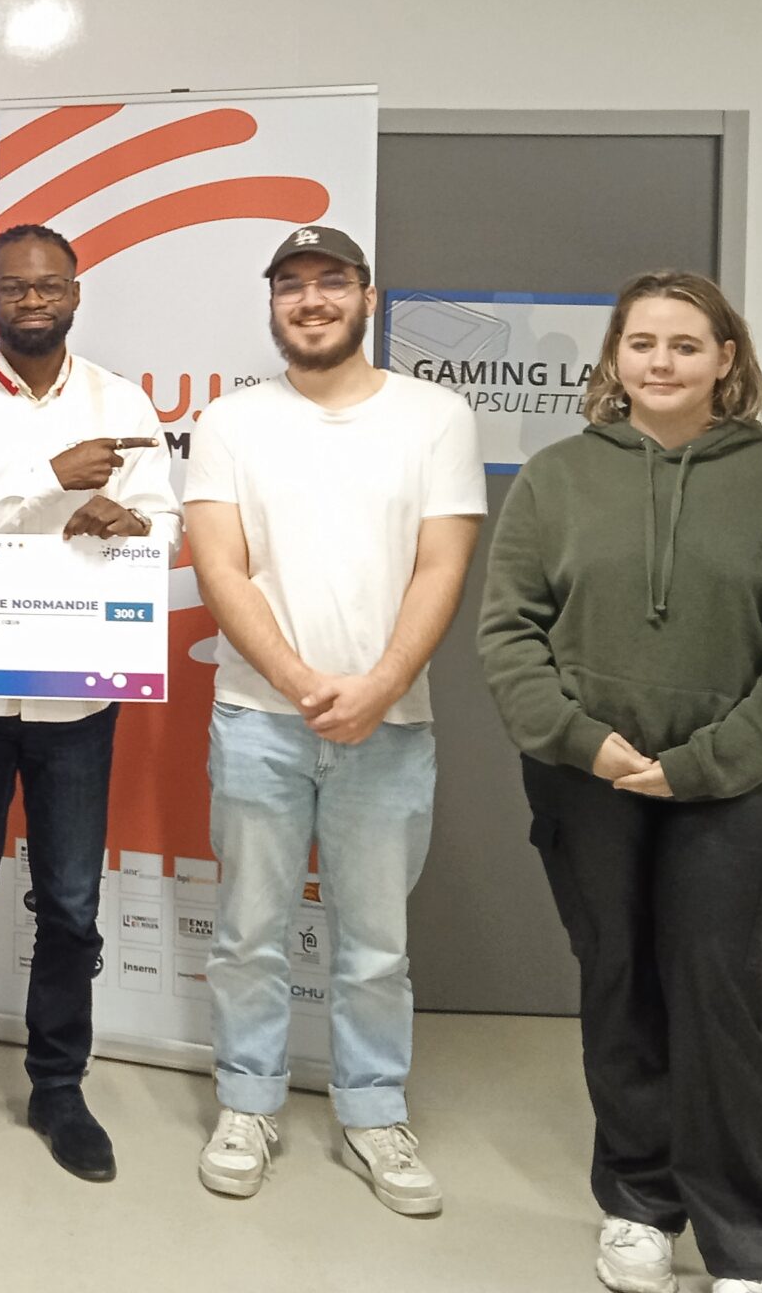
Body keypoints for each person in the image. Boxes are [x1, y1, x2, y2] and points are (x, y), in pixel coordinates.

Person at [479, 271, 762, 1293]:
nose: (661, 361)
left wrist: (699, 765)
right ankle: (639, 1203)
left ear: (725, 359)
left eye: (686, 344)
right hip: (586, 781)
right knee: (619, 984)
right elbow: (508, 632)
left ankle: (756, 1245)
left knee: (721, 997)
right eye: (641, 343)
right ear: (614, 357)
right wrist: (582, 742)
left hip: (741, 786)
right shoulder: (556, 477)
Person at [184, 224, 483, 1218]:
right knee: (248, 934)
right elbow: (221, 567)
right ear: (272, 303)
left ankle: (372, 1112)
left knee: (376, 946)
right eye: (291, 286)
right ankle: (247, 1103)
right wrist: (302, 681)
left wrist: (381, 684)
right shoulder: (232, 422)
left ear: (366, 295)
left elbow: (442, 565)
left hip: (389, 725)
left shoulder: (435, 417)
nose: (311, 301)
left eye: (331, 282)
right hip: (257, 721)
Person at [0, 223, 180, 1179]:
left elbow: (166, 527)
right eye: (12, 287)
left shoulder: (121, 401)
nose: (31, 300)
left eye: (48, 285)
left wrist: (129, 523)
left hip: (78, 692)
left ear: (75, 294)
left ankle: (60, 1087)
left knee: (69, 902)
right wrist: (49, 482)